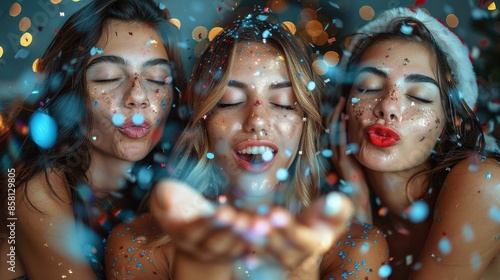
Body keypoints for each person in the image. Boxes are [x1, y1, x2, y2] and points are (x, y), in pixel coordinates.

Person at [105, 14, 389, 280]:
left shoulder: (358, 247)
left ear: (305, 123)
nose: (257, 122)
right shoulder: (136, 244)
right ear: (203, 120)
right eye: (230, 100)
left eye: (283, 101)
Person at [0, 0, 185, 279]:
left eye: (158, 79)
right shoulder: (33, 187)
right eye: (108, 78)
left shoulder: (166, 185)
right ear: (70, 93)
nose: (137, 97)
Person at [329, 7, 500, 279]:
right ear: (343, 109)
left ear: (450, 124)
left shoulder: (483, 182)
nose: (388, 106)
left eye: (420, 96)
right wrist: (363, 223)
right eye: (370, 86)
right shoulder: (333, 213)